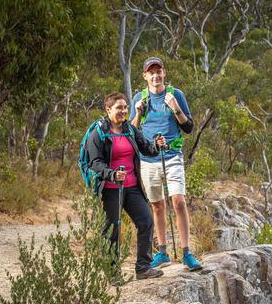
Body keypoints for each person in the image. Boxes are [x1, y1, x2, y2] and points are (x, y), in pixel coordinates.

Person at [130, 57, 203, 271]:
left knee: (178, 201)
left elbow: (189, 127)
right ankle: (162, 253)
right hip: (148, 159)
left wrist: (176, 108)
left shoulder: (175, 95)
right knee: (157, 205)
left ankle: (187, 253)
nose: (155, 76)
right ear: (145, 76)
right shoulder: (139, 98)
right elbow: (132, 132)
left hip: (172, 156)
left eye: (158, 71)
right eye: (151, 72)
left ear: (164, 73)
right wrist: (138, 113)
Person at [86, 92, 167, 280]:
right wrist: (113, 175)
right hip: (110, 189)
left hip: (132, 187)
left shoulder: (130, 130)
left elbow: (147, 148)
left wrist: (157, 144)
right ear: (108, 110)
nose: (123, 111)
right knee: (112, 231)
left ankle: (143, 268)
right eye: (119, 108)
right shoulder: (98, 133)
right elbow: (95, 163)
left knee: (146, 221)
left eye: (125, 107)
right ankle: (112, 273)